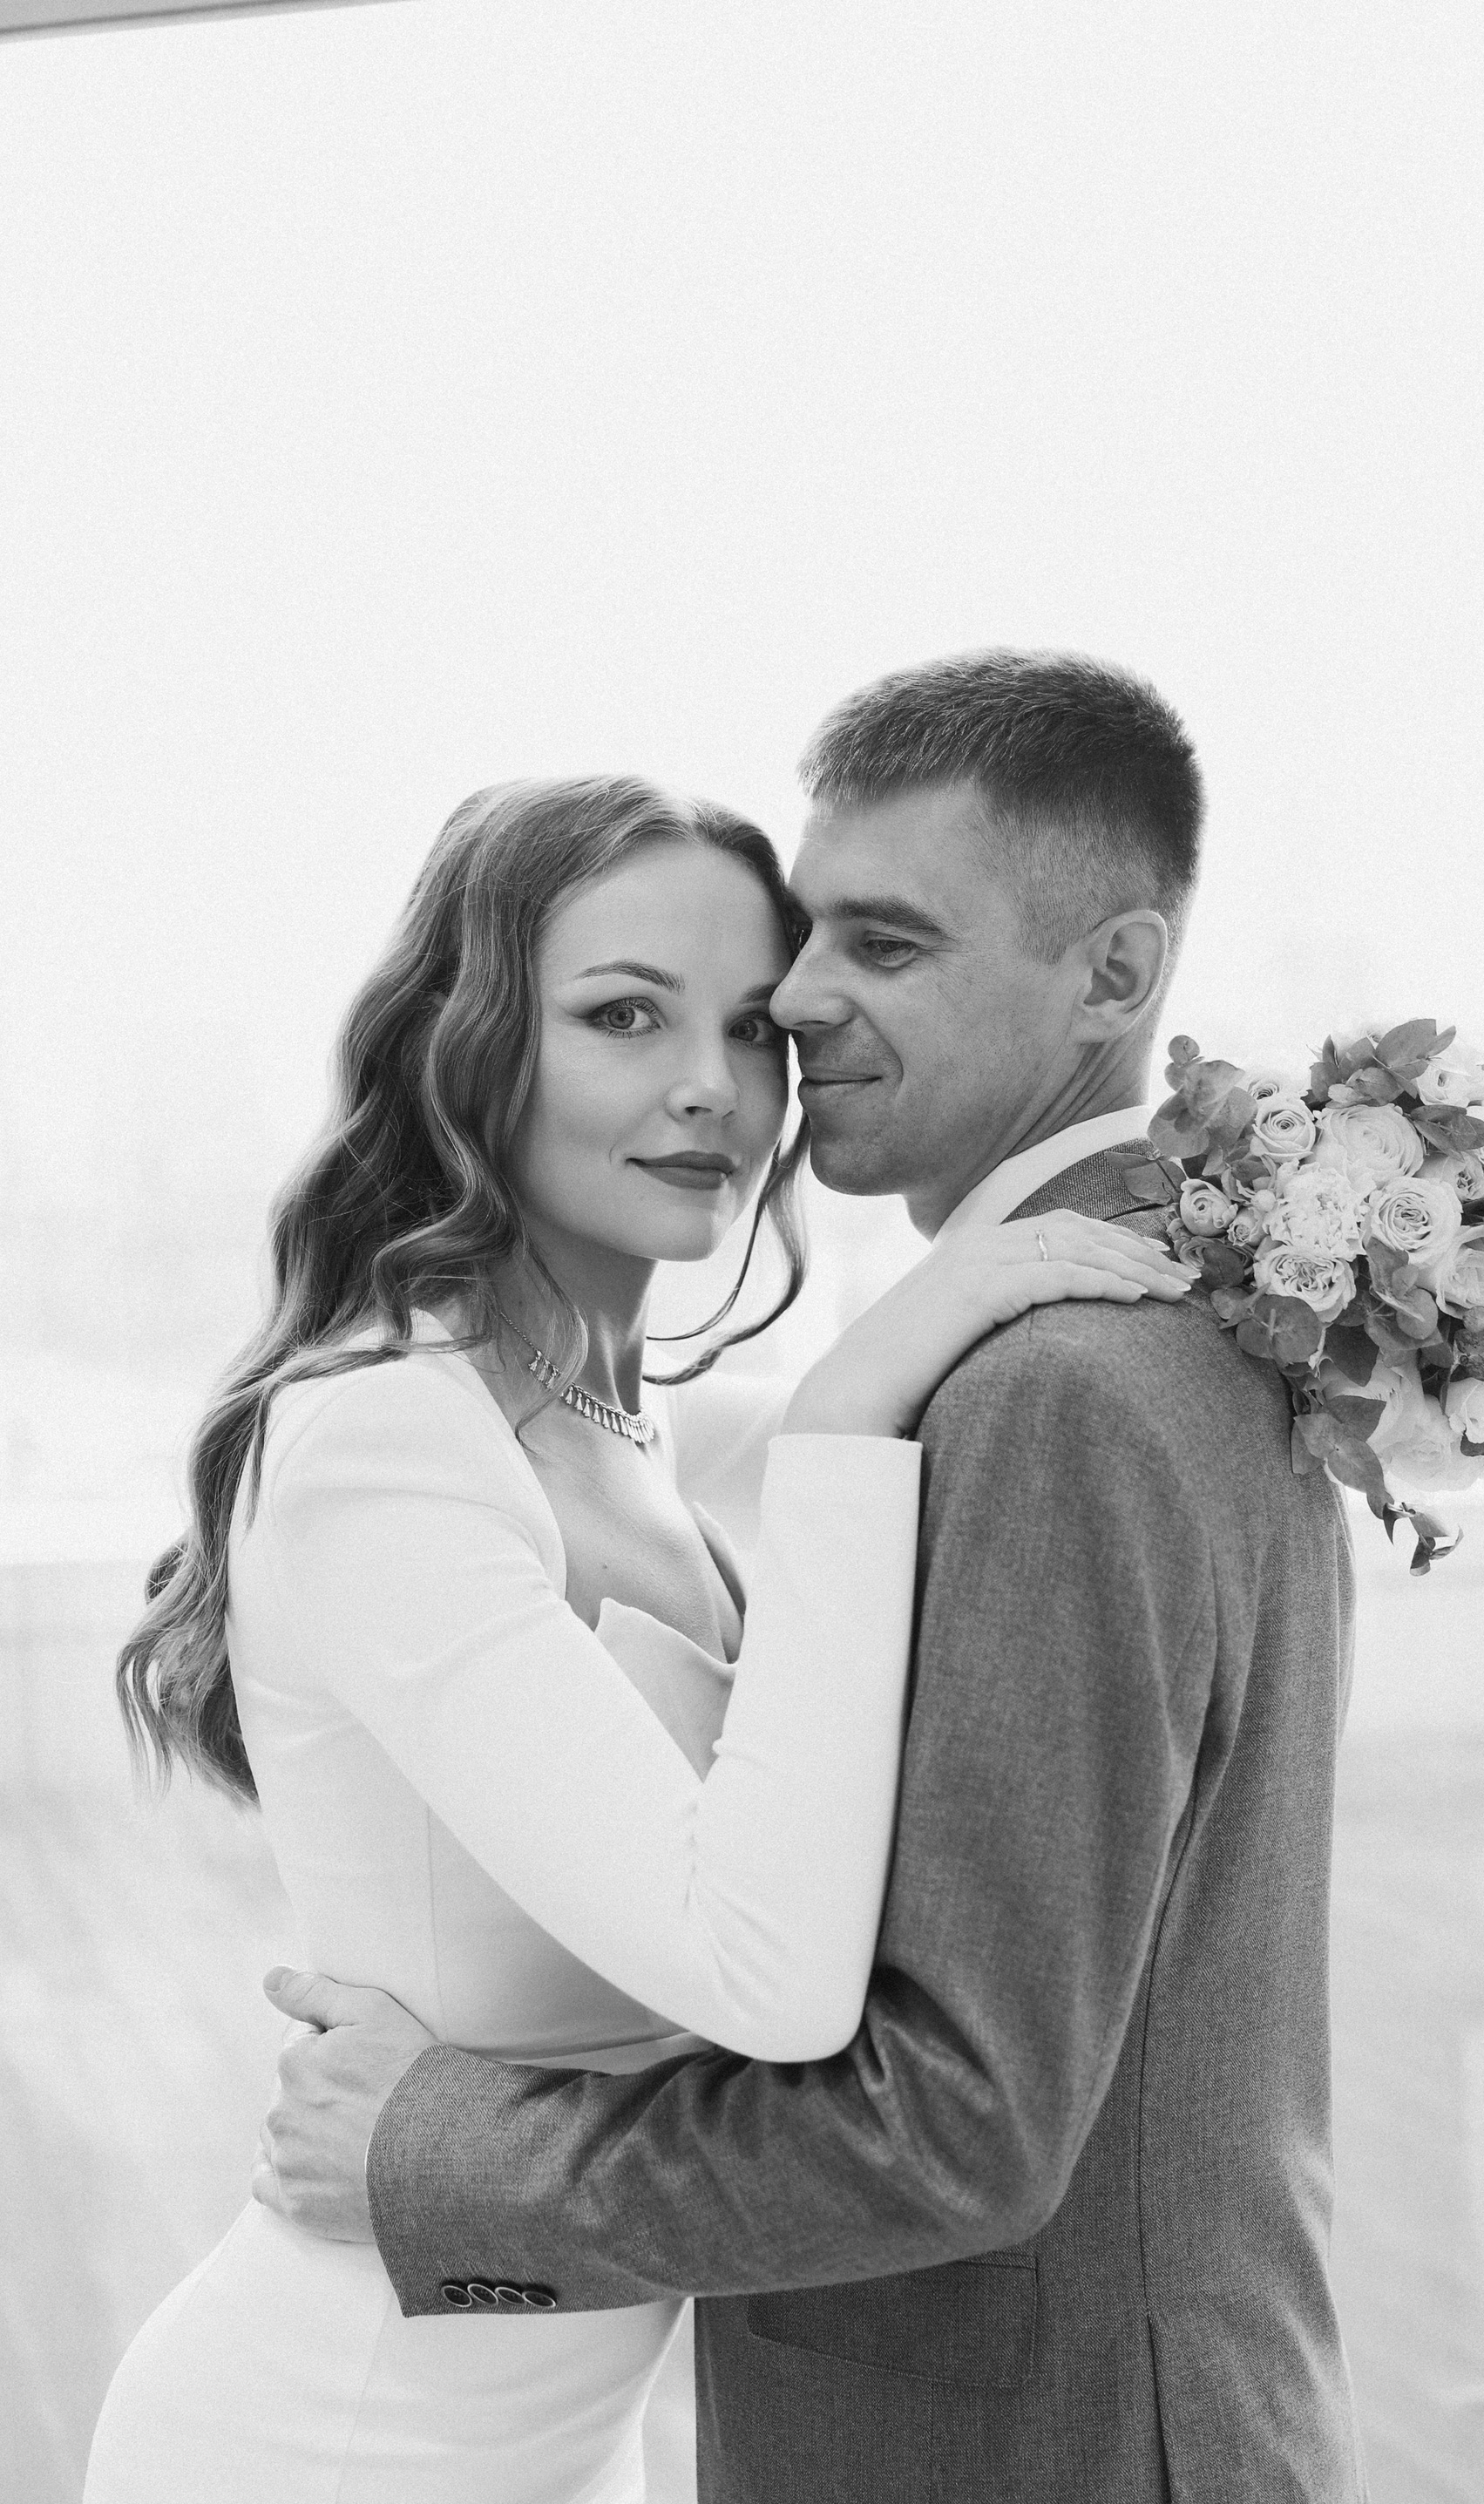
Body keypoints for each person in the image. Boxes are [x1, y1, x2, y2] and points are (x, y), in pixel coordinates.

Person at [255, 651, 1369, 2502]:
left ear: (1114, 976)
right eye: (810, 940)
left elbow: (959, 2124)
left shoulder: (1060, 1387)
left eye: (888, 943)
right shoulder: (1168, 1314)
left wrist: (429, 2148)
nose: (793, 1007)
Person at [83, 770, 1181, 2504]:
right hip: (331, 2433)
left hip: (565, 2438)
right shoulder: (388, 1442)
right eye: (622, 1016)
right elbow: (766, 1978)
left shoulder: (666, 1440)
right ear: (471, 1053)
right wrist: (863, 1390)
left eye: (752, 1028)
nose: (710, 1089)